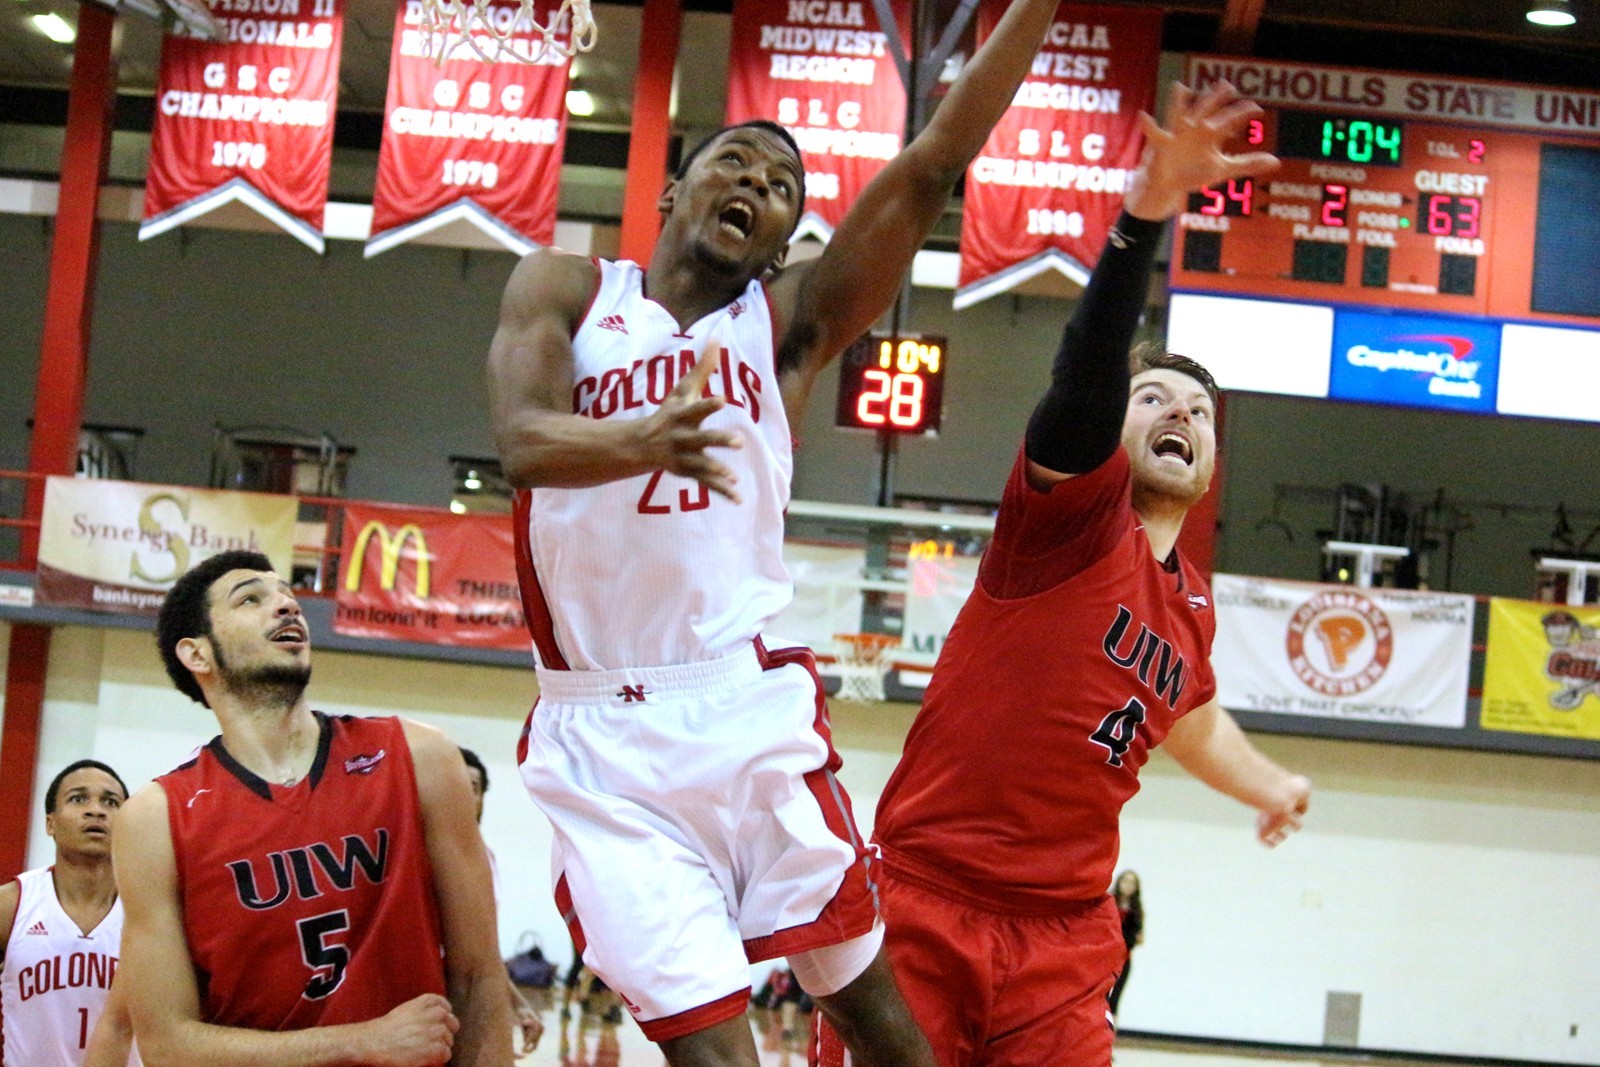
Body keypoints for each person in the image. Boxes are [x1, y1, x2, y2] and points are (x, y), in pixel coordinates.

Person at [486, 0, 1064, 1062]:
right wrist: (642, 440)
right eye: (738, 161)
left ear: (785, 243)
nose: (757, 181)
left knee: (869, 1006)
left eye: (782, 185)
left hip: (739, 704)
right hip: (599, 737)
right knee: (714, 1052)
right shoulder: (568, 288)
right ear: (670, 190)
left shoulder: (783, 331)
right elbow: (521, 443)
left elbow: (935, 164)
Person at [818, 83, 1314, 1067]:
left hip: (1066, 936)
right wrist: (1144, 214)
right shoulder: (1070, 522)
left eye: (1200, 410)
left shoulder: (1191, 609)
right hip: (929, 904)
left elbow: (1188, 714)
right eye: (1154, 396)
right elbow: (1086, 370)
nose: (1182, 411)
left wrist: (1272, 782)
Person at [112, 549, 513, 1066]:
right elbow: (168, 1045)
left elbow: (479, 977)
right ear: (197, 654)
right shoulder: (154, 819)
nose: (286, 606)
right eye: (251, 599)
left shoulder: (420, 756)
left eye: (288, 596)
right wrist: (359, 1042)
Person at [0, 759, 135, 1067]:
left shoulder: (152, 910)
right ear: (51, 823)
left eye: (110, 802)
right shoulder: (11, 906)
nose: (96, 810)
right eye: (78, 798)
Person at [459, 745, 546, 1054]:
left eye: (473, 788)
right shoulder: (414, 855)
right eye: (456, 785)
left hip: (471, 1007)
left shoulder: (487, 858)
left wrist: (517, 1005)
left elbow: (483, 949)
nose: (466, 796)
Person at [1108, 870, 1143, 1017]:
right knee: (1100, 998)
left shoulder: (1136, 911)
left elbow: (1139, 937)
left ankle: (1110, 1036)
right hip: (1105, 959)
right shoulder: (1108, 904)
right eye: (1125, 881)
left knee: (1114, 1000)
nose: (1128, 885)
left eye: (1132, 883)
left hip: (1124, 959)